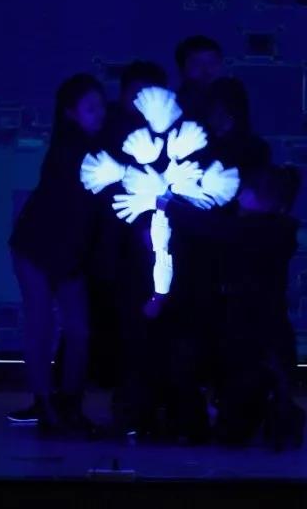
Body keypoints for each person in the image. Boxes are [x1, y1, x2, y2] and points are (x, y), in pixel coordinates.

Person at [155, 165, 305, 450]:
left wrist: (170, 205)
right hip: (238, 321)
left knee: (241, 399)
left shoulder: (271, 230)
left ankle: (273, 417)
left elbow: (217, 230)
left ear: (262, 197)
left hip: (254, 324)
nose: (238, 194)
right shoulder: (263, 226)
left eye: (246, 190)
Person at [8, 73, 105, 433]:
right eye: (90, 107)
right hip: (37, 247)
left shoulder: (88, 147)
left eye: (100, 106)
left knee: (77, 330)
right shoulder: (71, 150)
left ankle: (64, 402)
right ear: (70, 112)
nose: (99, 113)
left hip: (67, 252)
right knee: (43, 326)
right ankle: (47, 402)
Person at [90, 60, 171, 436]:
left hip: (144, 248)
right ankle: (133, 408)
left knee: (139, 332)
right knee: (129, 331)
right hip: (123, 250)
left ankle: (137, 407)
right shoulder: (111, 133)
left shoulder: (159, 133)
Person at [175, 35, 223, 122]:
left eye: (212, 64)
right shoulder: (172, 108)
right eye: (197, 65)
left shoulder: (232, 103)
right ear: (182, 69)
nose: (207, 71)